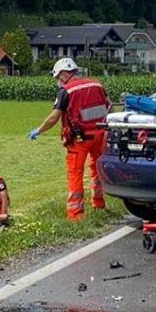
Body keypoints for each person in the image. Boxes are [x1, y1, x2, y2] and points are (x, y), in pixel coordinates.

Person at [28, 58, 111, 221]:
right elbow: (110, 107)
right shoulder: (97, 85)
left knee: (75, 174)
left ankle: (76, 214)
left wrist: (39, 130)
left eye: (58, 77)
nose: (58, 81)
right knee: (97, 170)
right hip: (101, 135)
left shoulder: (66, 91)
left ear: (64, 74)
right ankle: (99, 204)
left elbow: (54, 118)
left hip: (79, 139)